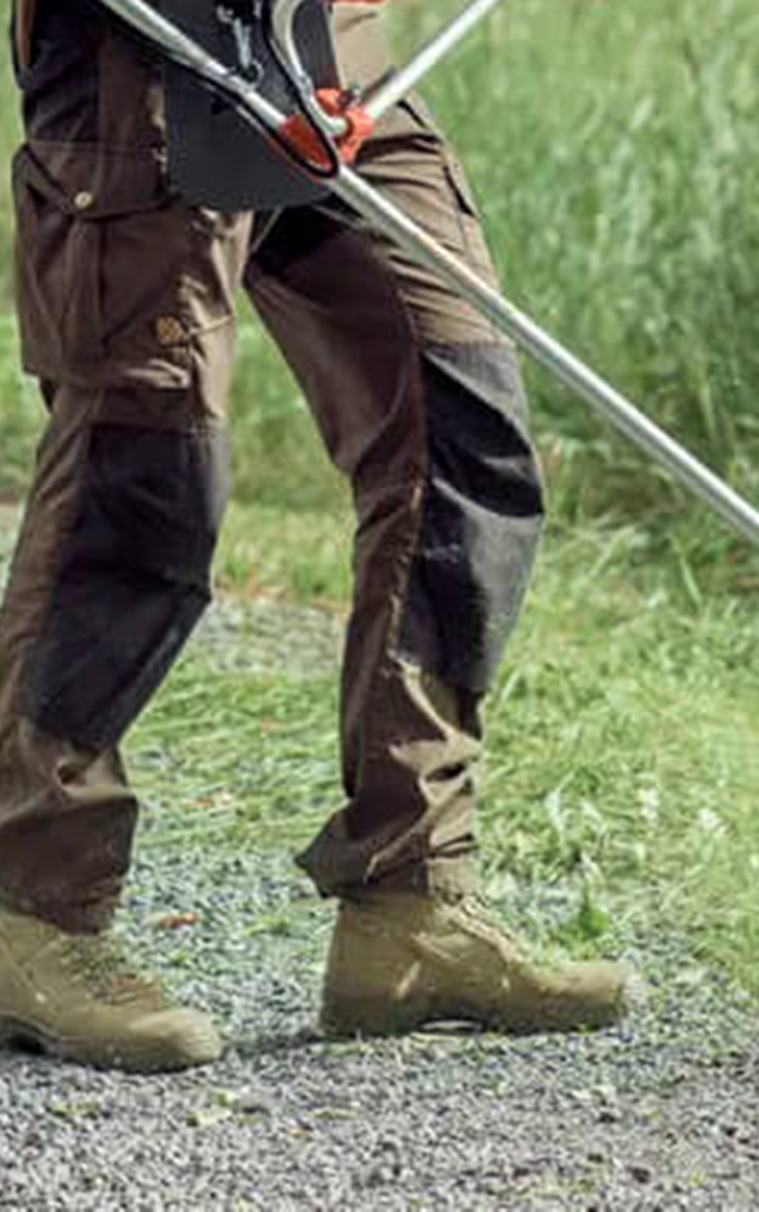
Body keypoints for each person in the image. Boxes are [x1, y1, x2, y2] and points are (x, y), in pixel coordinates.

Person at [0, 0, 638, 1073]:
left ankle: (409, 903)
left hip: (333, 52)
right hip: (148, 51)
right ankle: (26, 908)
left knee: (459, 431)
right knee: (145, 476)